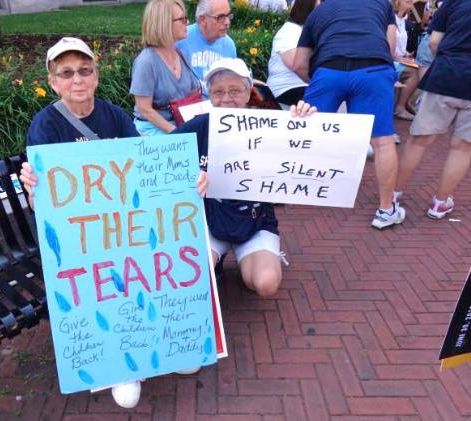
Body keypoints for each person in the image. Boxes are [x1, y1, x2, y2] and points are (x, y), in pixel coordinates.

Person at [20, 37, 208, 409]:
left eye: (85, 71)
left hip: (122, 227)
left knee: (143, 267)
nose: (77, 79)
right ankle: (119, 364)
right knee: (100, 284)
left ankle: (165, 347)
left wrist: (189, 182)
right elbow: (41, 204)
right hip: (80, 238)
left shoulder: (114, 116)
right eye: (67, 73)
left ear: (96, 75)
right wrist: (32, 186)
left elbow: (144, 169)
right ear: (53, 81)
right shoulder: (44, 126)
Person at [173, 58, 316, 297]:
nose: (226, 98)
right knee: (190, 277)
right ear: (209, 95)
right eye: (218, 92)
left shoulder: (271, 125)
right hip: (210, 221)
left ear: (249, 93)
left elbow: (304, 157)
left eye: (235, 90)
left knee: (264, 284)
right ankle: (216, 258)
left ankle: (257, 256)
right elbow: (161, 154)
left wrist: (306, 123)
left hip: (254, 221)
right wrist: (190, 175)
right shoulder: (200, 125)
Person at [293, 0, 406, 230]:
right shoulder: (381, 4)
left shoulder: (319, 11)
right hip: (373, 68)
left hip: (329, 69)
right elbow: (391, 47)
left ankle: (295, 189)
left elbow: (298, 63)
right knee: (383, 142)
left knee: (306, 130)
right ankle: (386, 210)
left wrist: (316, 82)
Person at [395, 0, 471, 220]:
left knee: (419, 140)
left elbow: (434, 41)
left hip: (446, 74)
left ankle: (394, 193)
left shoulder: (455, 2)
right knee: (463, 148)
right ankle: (440, 202)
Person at [130, 0, 202, 135]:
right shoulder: (146, 61)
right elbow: (144, 109)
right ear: (164, 24)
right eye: (182, 19)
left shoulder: (181, 55)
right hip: (153, 129)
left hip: (180, 124)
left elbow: (193, 93)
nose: (187, 22)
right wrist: (177, 133)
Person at [176, 0, 237, 96]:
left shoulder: (229, 45)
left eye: (228, 16)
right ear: (202, 20)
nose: (227, 22)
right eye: (220, 17)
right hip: (187, 105)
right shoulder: (181, 40)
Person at [267, 0, 319, 107]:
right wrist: (320, 84)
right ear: (307, 8)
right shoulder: (289, 31)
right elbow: (297, 66)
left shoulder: (311, 31)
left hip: (304, 88)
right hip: (287, 89)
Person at [392, 0, 420, 121]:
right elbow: (388, 46)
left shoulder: (403, 20)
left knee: (421, 67)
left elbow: (401, 46)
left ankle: (405, 103)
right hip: (390, 60)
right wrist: (401, 58)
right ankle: (400, 107)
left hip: (399, 59)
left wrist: (408, 55)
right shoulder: (389, 18)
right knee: (416, 71)